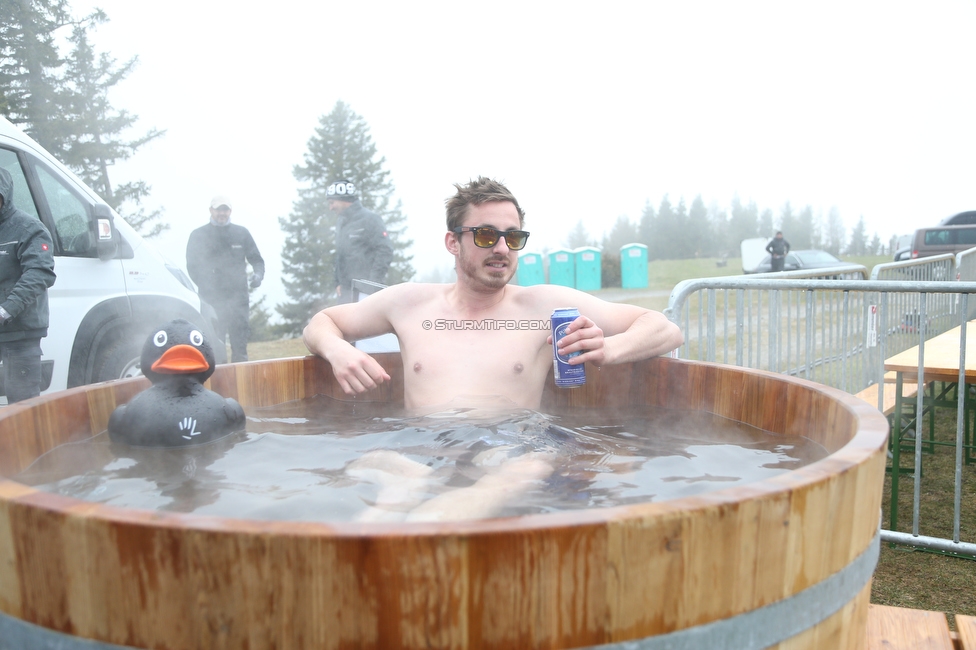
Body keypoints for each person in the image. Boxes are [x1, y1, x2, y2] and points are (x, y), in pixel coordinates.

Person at [304, 176, 683, 412]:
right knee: (382, 478)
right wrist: (338, 350)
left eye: (513, 237)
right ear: (453, 242)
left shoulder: (543, 305)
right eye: (486, 235)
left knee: (518, 470)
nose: (502, 248)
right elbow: (323, 323)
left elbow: (665, 329)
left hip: (512, 450)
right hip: (421, 448)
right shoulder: (409, 302)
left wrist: (609, 351)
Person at [0, 167, 57, 403]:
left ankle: (27, 441)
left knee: (23, 406)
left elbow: (39, 272)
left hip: (20, 334)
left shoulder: (29, 228)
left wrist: (6, 310)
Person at [186, 195, 265, 363]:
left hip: (238, 299)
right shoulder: (198, 235)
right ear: (211, 210)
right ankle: (218, 387)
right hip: (212, 300)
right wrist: (206, 284)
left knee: (240, 349)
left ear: (230, 211)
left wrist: (258, 275)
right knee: (215, 348)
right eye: (218, 209)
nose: (221, 213)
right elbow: (191, 266)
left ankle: (242, 386)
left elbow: (257, 260)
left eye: (225, 209)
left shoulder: (241, 233)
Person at [328, 179, 393, 303]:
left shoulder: (371, 219)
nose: (330, 207)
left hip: (365, 294)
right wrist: (337, 282)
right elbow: (341, 254)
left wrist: (372, 285)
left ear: (343, 200)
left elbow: (385, 251)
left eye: (332, 202)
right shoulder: (341, 222)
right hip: (345, 293)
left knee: (365, 323)